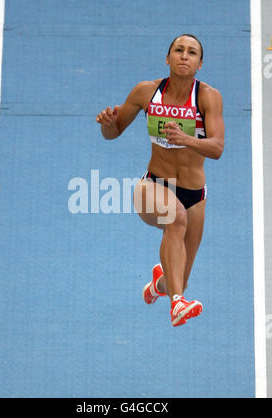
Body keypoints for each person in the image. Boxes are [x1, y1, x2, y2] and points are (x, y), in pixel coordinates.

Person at [96, 34, 224, 327]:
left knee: (177, 279)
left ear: (199, 64)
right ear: (168, 58)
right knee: (175, 219)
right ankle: (177, 306)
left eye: (192, 52)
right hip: (153, 186)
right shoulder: (146, 92)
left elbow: (217, 148)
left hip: (195, 194)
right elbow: (113, 132)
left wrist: (185, 139)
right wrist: (107, 123)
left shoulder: (207, 97)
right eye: (178, 50)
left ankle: (159, 287)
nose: (184, 55)